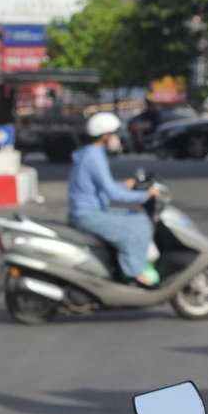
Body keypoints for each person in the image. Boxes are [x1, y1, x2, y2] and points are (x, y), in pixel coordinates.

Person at [68, 112, 161, 287]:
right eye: (115, 134)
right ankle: (134, 273)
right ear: (105, 135)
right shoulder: (95, 157)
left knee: (137, 218)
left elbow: (102, 187)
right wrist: (144, 196)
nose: (117, 138)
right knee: (139, 225)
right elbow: (112, 193)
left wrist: (125, 185)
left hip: (88, 211)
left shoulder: (90, 153)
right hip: (89, 215)